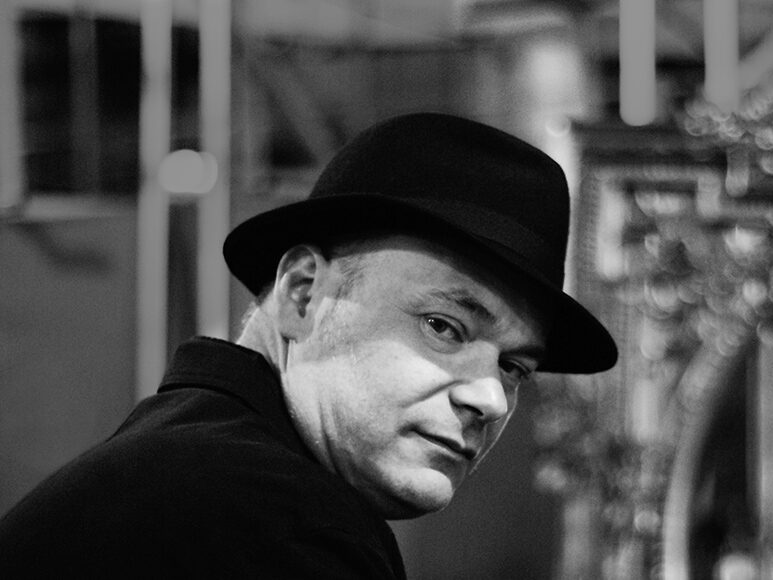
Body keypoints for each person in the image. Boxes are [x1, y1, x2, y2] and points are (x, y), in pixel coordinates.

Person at [0, 112, 618, 578]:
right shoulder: (273, 520)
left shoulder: (190, 468)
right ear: (302, 293)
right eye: (443, 326)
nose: (490, 399)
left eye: (513, 367)